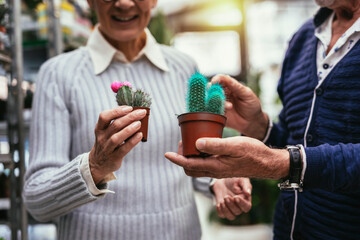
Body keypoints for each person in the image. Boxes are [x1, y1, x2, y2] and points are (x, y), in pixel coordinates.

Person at [22, 0, 252, 239]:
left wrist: (217, 182)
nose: (123, 3)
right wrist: (94, 167)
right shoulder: (58, 74)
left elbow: (192, 160)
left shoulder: (184, 67)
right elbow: (37, 202)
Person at [165, 0, 360, 239]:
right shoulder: (304, 38)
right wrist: (259, 127)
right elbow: (295, 141)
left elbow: (293, 161)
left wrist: (281, 163)